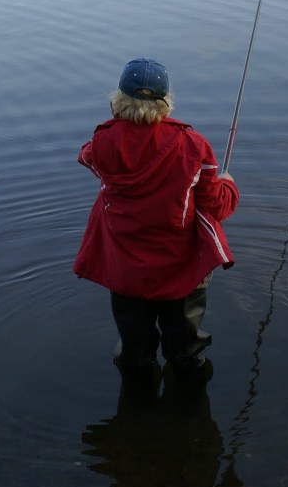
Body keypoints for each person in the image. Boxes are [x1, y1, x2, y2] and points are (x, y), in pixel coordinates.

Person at [73, 57, 239, 381]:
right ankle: (191, 407)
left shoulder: (102, 143)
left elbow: (87, 157)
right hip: (181, 267)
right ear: (166, 101)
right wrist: (229, 184)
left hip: (126, 268)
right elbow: (216, 205)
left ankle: (136, 403)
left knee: (134, 352)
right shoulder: (193, 145)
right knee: (186, 351)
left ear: (119, 98)